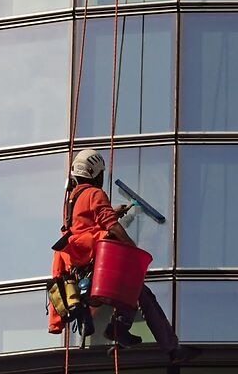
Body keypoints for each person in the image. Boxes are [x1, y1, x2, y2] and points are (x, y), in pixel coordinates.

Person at [46, 147, 180, 352]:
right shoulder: (95, 193)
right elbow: (112, 227)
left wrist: (112, 213)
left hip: (80, 268)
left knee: (138, 292)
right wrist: (131, 248)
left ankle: (118, 328)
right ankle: (168, 347)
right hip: (99, 266)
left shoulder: (71, 199)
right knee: (141, 293)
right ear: (96, 173)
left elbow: (85, 224)